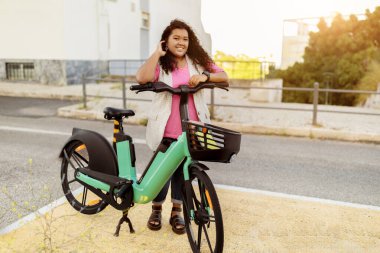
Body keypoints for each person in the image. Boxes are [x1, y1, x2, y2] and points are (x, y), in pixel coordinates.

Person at [136, 19, 228, 235]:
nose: (181, 42)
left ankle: (176, 212)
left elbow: (224, 77)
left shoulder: (197, 61)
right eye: (176, 38)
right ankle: (156, 211)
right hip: (166, 129)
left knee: (182, 172)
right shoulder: (161, 62)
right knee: (162, 173)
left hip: (192, 128)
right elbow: (142, 78)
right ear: (166, 41)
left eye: (185, 39)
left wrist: (205, 76)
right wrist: (157, 53)